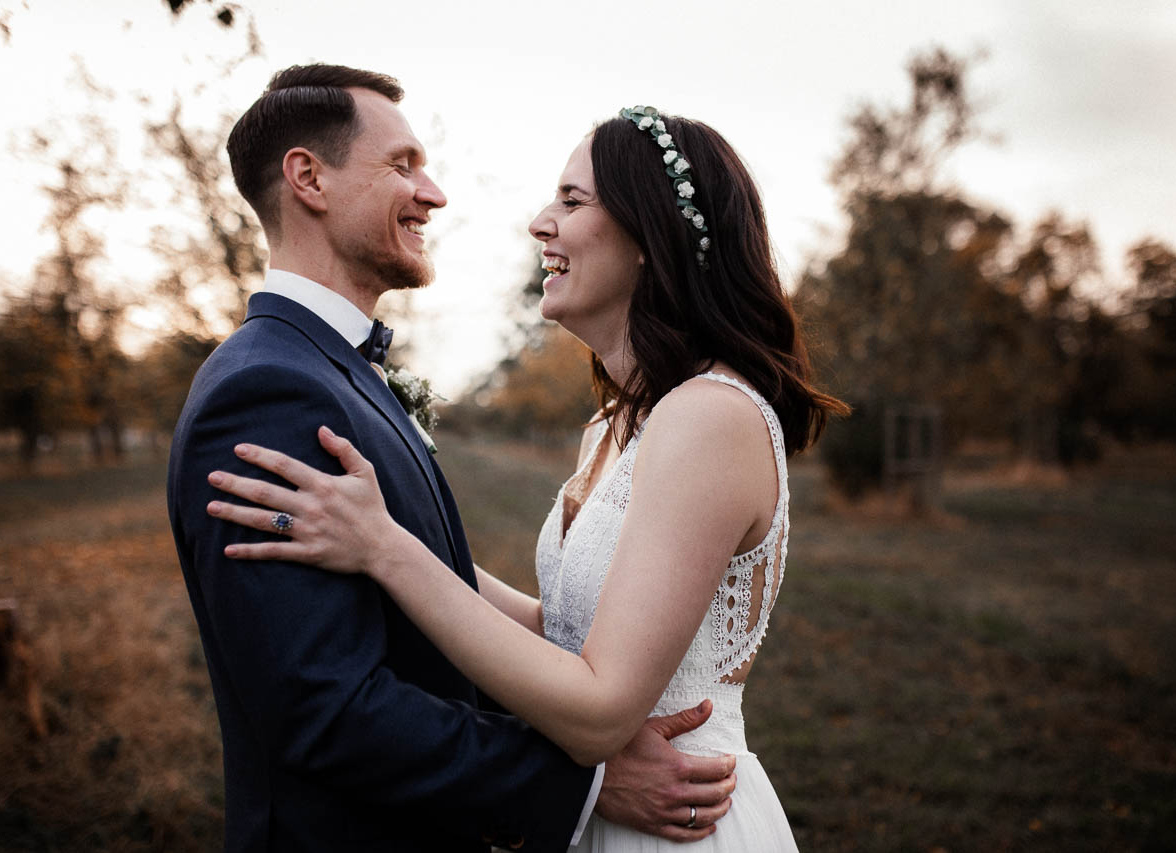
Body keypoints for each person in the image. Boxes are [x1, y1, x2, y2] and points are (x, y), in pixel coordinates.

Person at [205, 100, 850, 850]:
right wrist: (379, 530)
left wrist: (387, 550)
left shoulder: (710, 417)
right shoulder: (618, 424)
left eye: (571, 201)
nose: (541, 223)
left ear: (651, 237)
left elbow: (605, 706)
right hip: (609, 814)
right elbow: (566, 628)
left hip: (679, 820)